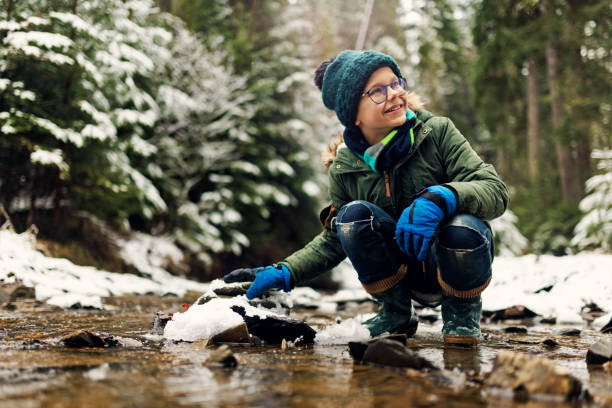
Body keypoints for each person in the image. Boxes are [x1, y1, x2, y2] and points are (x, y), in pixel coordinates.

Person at [224, 50, 508, 346]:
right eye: (377, 91)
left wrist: (442, 197)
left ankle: (461, 317)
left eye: (396, 83)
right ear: (352, 113)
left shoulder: (437, 133)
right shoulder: (344, 167)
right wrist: (286, 271)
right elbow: (335, 238)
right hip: (399, 273)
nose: (395, 94)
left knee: (463, 225)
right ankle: (395, 313)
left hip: (449, 262)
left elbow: (494, 190)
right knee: (352, 216)